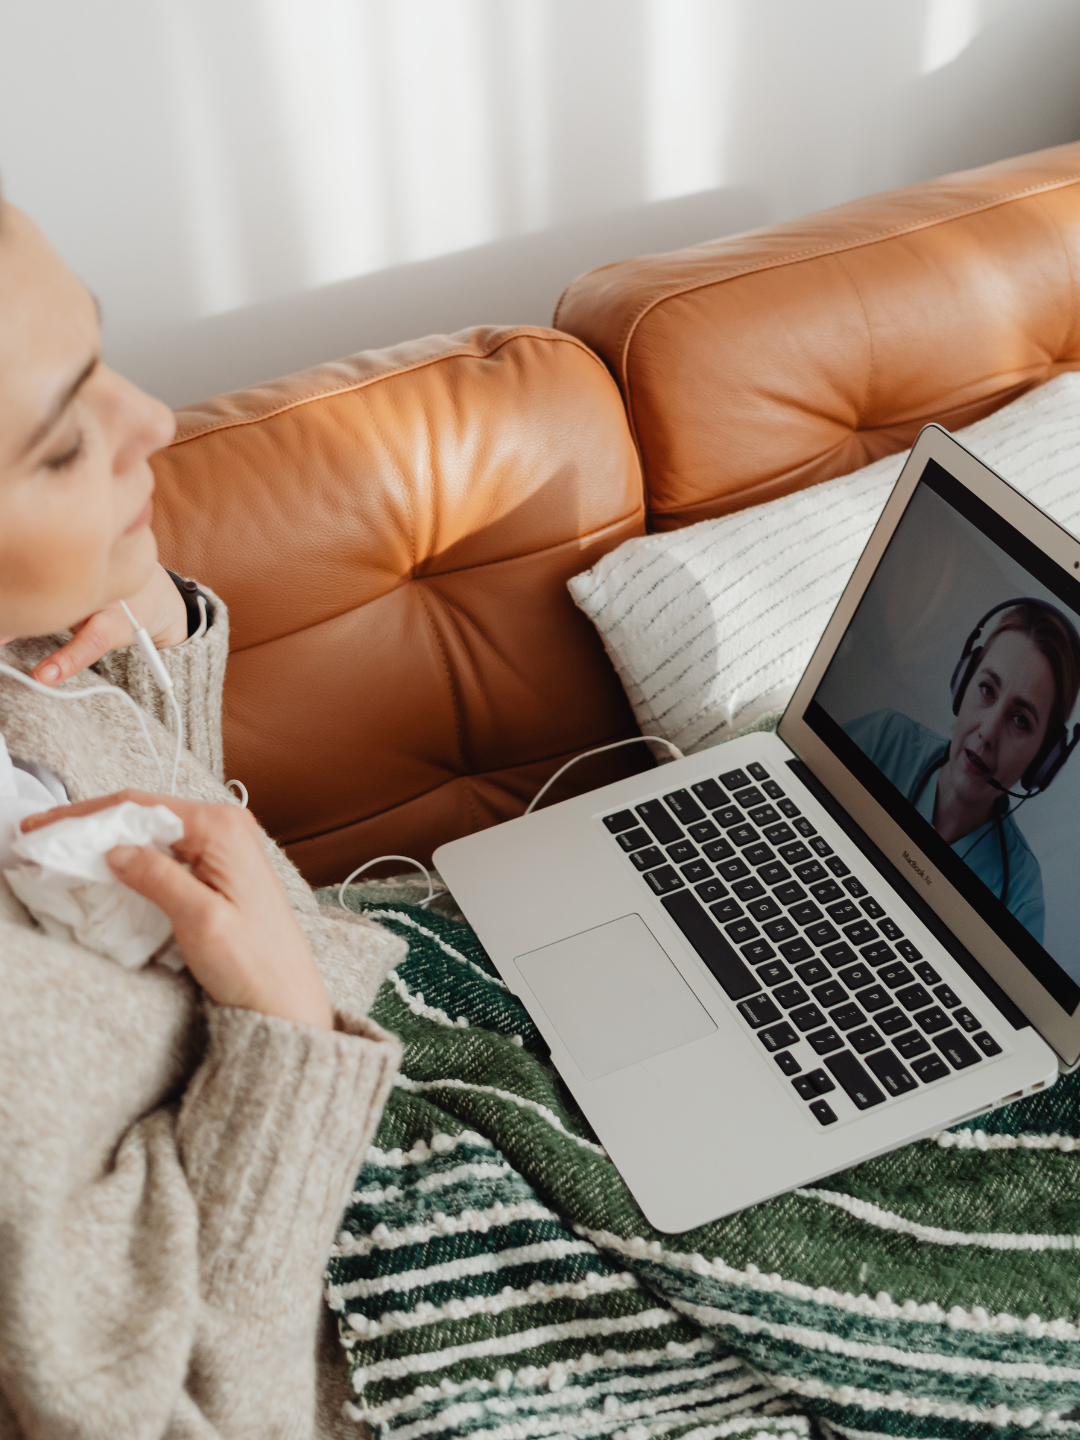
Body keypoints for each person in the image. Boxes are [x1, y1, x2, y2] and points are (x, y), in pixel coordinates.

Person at [0, 199, 407, 1436]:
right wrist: (286, 1034)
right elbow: (212, 1409)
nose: (154, 422)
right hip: (392, 1330)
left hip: (420, 1067)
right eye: (60, 446)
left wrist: (146, 637)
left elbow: (171, 894)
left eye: (99, 358)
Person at [844, 600, 1080, 944]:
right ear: (964, 682)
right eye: (987, 689)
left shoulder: (1020, 894)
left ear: (1043, 759)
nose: (988, 731)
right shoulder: (885, 740)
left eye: (1020, 720)